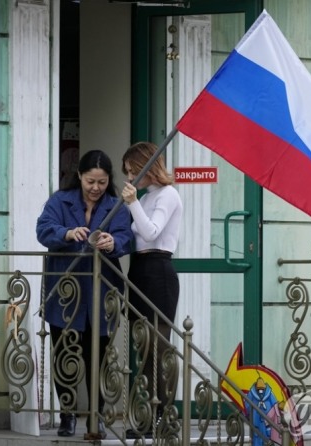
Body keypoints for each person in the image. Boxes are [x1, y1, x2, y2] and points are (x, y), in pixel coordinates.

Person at [36, 149, 133, 438]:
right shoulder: (59, 201)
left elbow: (127, 238)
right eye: (91, 181)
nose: (95, 188)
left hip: (102, 293)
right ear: (79, 176)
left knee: (99, 357)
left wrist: (112, 240)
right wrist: (66, 234)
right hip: (65, 291)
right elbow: (42, 230)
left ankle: (97, 418)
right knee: (64, 354)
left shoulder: (116, 206)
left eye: (102, 182)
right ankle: (67, 416)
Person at [121, 141, 183, 439]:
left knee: (159, 348)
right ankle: (148, 417)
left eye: (134, 170)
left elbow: (151, 232)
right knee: (143, 350)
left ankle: (165, 416)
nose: (130, 177)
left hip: (159, 270)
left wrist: (132, 203)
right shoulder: (146, 197)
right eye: (128, 172)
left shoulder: (168, 195)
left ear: (149, 166)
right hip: (140, 270)